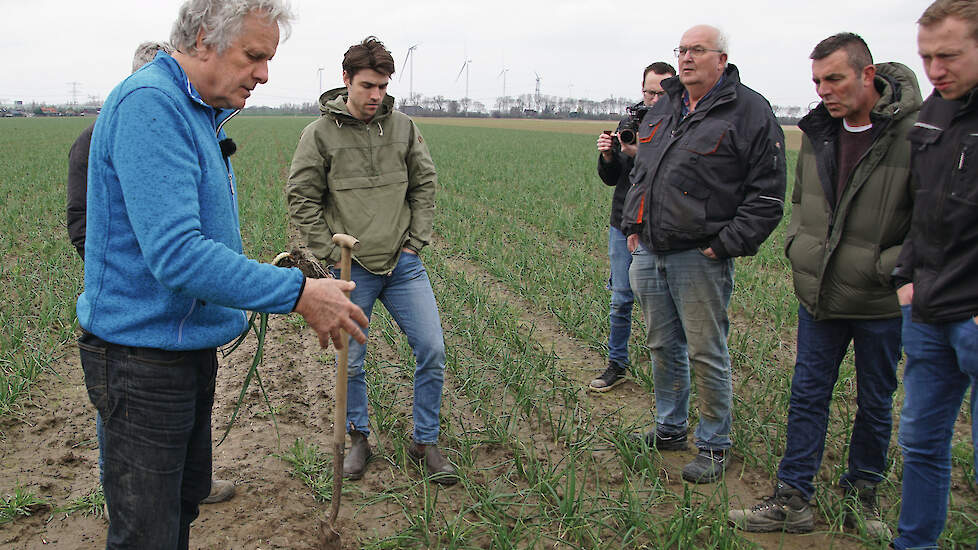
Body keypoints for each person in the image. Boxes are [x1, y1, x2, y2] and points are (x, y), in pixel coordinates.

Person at [76, 1, 368, 548]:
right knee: (147, 533)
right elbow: (179, 255)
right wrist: (299, 292)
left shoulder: (196, 110)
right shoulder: (151, 106)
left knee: (179, 511)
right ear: (204, 39)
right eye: (254, 56)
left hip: (183, 351)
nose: (264, 74)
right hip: (141, 363)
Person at [727, 33, 920, 538]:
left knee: (876, 400)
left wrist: (887, 267)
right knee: (808, 393)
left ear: (868, 74)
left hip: (879, 299)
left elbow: (931, 224)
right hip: (819, 294)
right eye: (817, 81)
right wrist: (798, 247)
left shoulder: (915, 135)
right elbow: (801, 206)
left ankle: (863, 499)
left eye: (834, 78)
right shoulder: (817, 132)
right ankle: (792, 499)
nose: (824, 91)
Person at [68, 40, 237, 509]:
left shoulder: (198, 126)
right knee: (142, 509)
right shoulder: (130, 118)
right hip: (138, 339)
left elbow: (188, 231)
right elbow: (87, 223)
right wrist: (124, 275)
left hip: (185, 329)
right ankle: (118, 489)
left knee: (177, 498)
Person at [620, 24, 786, 484]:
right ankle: (670, 428)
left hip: (700, 255)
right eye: (682, 50)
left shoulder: (748, 111)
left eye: (697, 50)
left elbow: (768, 195)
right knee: (660, 345)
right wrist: (634, 225)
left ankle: (714, 442)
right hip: (649, 251)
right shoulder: (667, 105)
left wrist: (723, 245)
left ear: (721, 59)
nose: (687, 58)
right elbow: (643, 171)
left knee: (705, 350)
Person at [287, 37, 456, 485]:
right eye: (367, 86)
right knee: (352, 362)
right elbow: (301, 197)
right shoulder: (318, 135)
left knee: (432, 349)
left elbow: (425, 184)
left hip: (403, 267)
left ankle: (425, 440)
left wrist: (415, 243)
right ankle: (359, 437)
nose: (376, 95)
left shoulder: (402, 127)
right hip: (350, 270)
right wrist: (327, 252)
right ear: (346, 81)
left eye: (382, 86)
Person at [891, 1, 978, 547]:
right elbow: (918, 206)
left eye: (948, 56)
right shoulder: (934, 112)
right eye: (926, 57)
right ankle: (913, 541)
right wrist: (906, 278)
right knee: (921, 442)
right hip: (927, 308)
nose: (935, 69)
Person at [589, 61, 676, 392]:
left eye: (660, 91)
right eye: (648, 91)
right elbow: (613, 179)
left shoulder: (681, 125)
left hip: (662, 227)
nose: (653, 98)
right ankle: (617, 363)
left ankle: (667, 374)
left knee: (662, 306)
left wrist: (641, 154)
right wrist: (609, 156)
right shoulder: (630, 122)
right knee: (621, 299)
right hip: (624, 222)